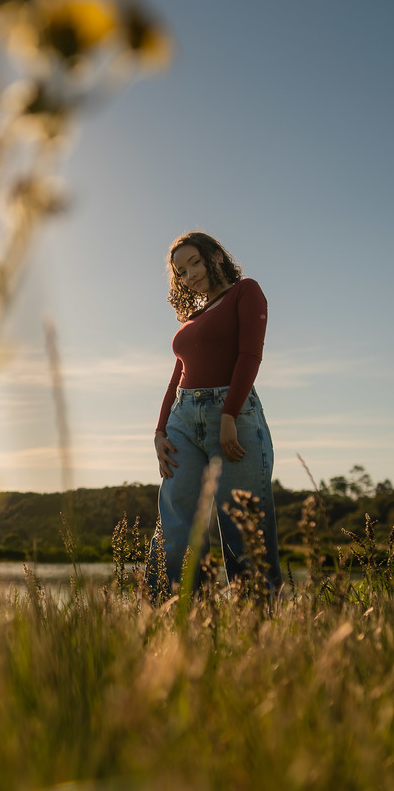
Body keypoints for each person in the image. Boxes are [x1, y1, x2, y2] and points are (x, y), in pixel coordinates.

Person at [150, 231, 282, 599]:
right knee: (177, 521)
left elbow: (249, 356)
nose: (190, 274)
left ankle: (256, 618)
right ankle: (171, 612)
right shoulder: (193, 316)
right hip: (183, 419)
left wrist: (229, 415)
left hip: (233, 415)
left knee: (242, 524)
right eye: (181, 270)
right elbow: (178, 375)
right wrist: (160, 430)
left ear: (216, 256)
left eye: (195, 262)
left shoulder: (246, 292)